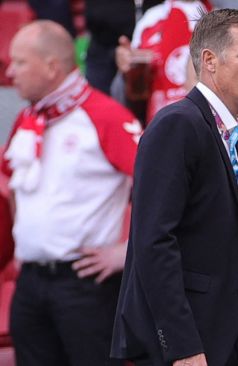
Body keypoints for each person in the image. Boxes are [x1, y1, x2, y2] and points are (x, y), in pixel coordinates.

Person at [111, 8, 238, 366]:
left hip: (228, 334)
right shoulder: (179, 124)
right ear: (209, 61)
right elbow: (153, 242)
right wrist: (181, 345)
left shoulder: (223, 132)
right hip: (192, 345)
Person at [2, 20, 140, 366]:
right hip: (30, 282)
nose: (10, 72)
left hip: (84, 284)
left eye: (20, 62)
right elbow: (13, 187)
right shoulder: (26, 119)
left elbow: (161, 188)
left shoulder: (104, 115)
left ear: (52, 67)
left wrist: (127, 252)